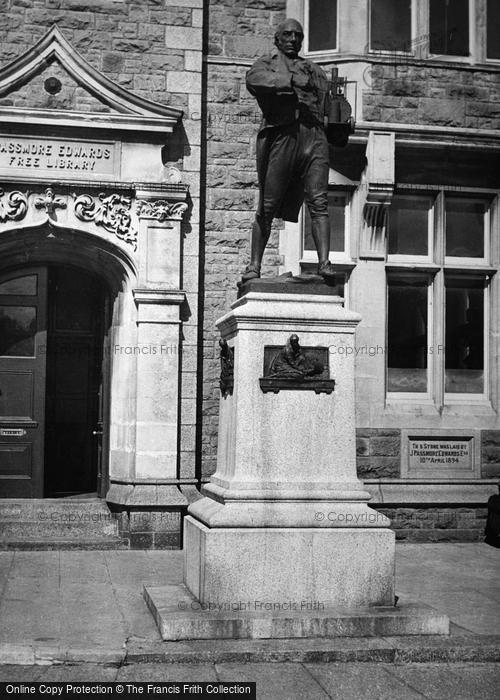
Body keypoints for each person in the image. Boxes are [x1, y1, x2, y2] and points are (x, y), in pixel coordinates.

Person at [242, 18, 336, 284]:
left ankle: (325, 263)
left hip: (315, 136)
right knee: (268, 204)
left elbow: (328, 106)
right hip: (284, 134)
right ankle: (254, 267)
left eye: (298, 35)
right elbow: (254, 80)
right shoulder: (266, 64)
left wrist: (339, 123)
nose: (294, 39)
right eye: (288, 34)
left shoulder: (315, 70)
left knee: (319, 202)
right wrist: (293, 79)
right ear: (278, 38)